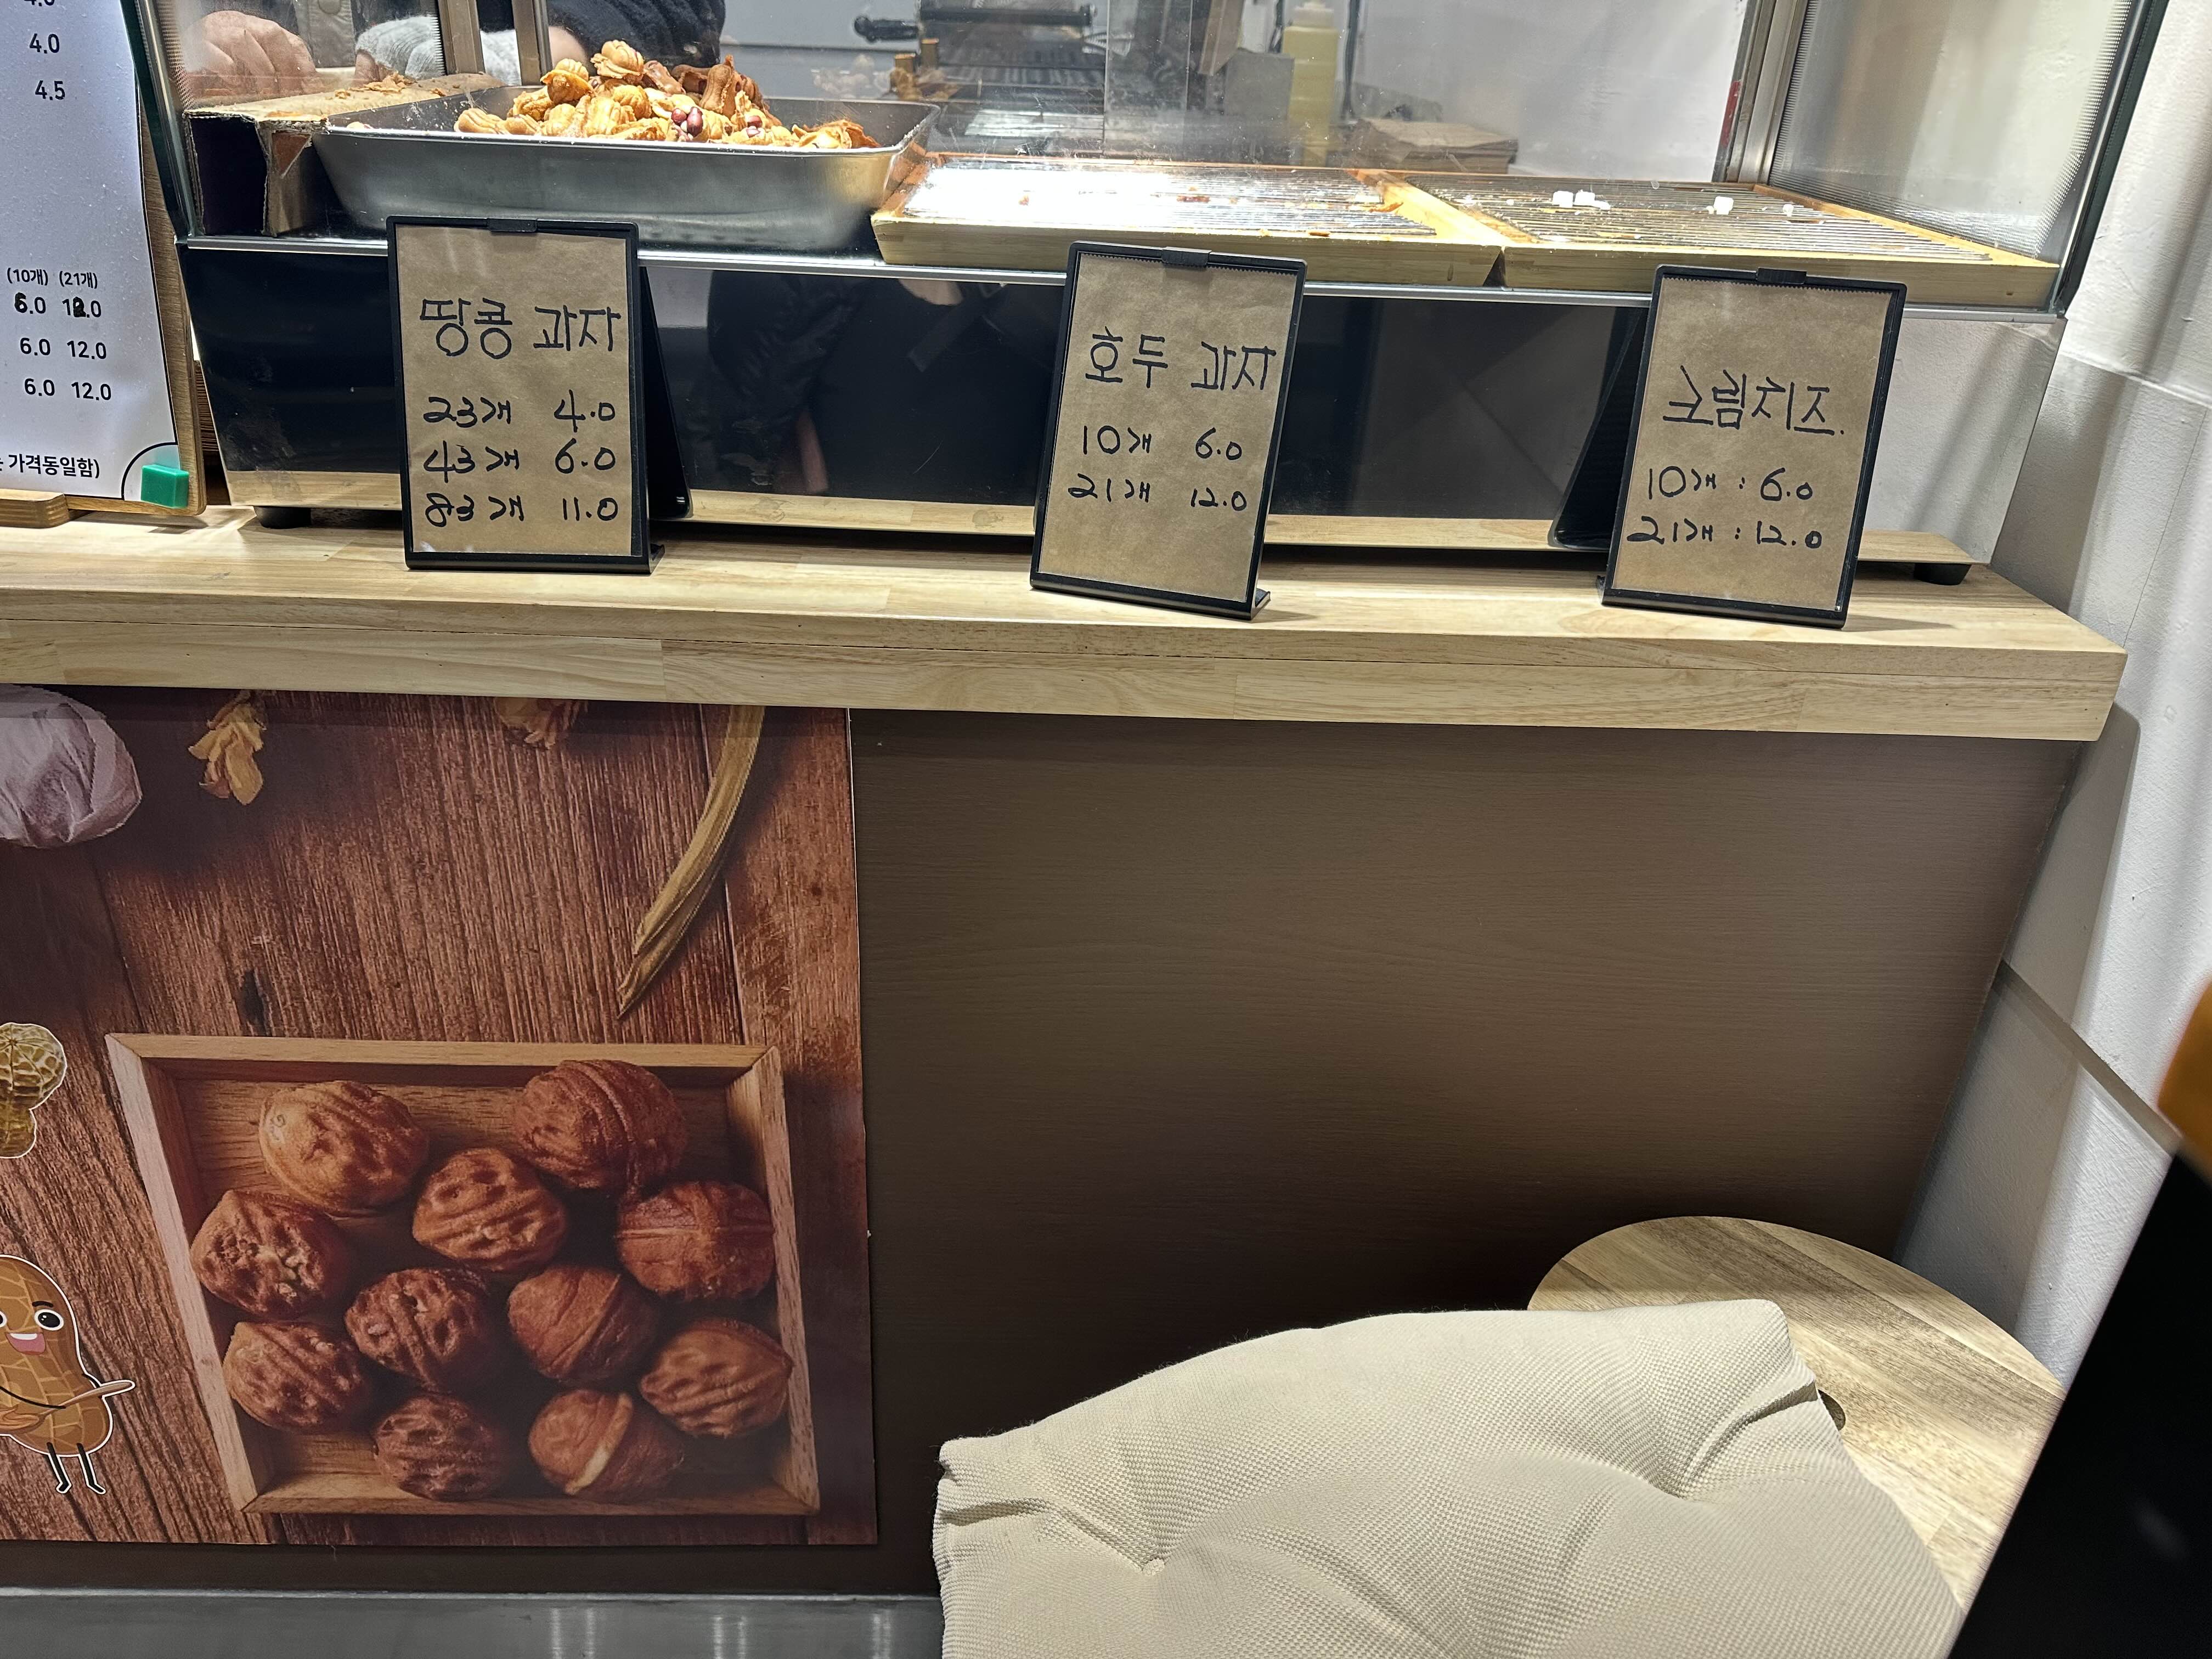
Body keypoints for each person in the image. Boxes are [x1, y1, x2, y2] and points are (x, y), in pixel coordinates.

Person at [185, 0, 721, 98]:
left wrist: (534, 52)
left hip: (506, 229)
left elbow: (675, 9)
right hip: (235, 237)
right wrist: (176, 40)